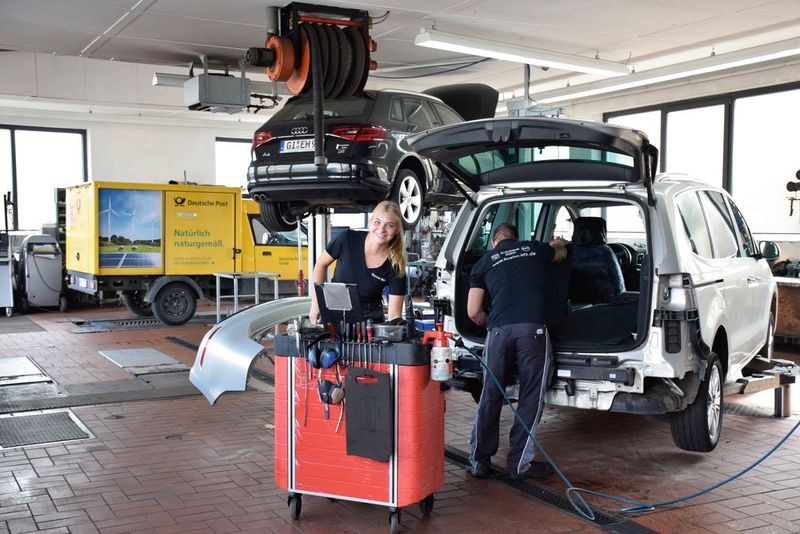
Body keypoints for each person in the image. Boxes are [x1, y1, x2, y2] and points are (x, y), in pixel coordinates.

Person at [466, 223, 569, 480]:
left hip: (499, 332)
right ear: (517, 239)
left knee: (490, 395)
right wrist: (559, 243)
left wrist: (492, 325)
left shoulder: (484, 262)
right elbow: (560, 255)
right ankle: (519, 464)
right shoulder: (534, 249)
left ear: (494, 242)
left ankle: (479, 461)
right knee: (531, 395)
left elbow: (473, 311)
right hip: (532, 331)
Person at [309, 201, 407, 325]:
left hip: (369, 327)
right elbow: (320, 264)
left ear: (397, 230)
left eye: (390, 225)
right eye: (377, 222)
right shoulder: (347, 239)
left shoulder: (396, 266)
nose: (381, 229)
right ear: (370, 222)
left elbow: (394, 316)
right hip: (333, 317)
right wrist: (316, 303)